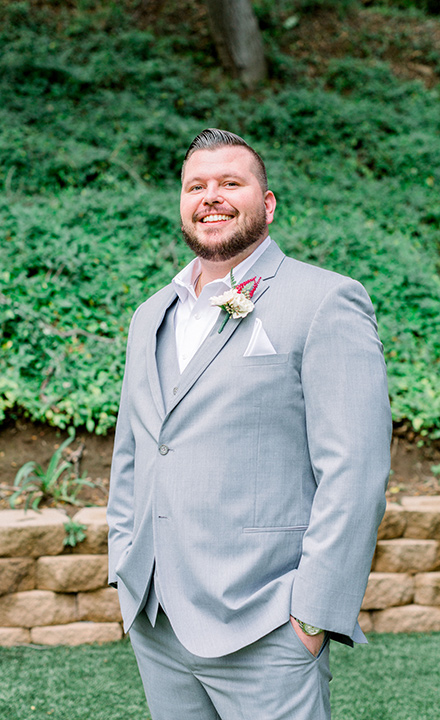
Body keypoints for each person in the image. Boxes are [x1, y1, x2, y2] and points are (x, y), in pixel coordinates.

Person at [107, 128, 392, 720]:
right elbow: (135, 450)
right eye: (196, 186)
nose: (211, 196)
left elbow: (354, 470)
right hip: (158, 620)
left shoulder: (325, 301)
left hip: (267, 623)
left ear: (267, 204)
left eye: (230, 183)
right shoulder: (150, 315)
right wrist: (124, 564)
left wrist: (311, 614)